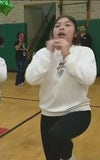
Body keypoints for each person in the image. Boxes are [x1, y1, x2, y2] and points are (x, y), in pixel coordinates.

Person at [25, 15, 97, 160]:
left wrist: (67, 55)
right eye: (57, 26)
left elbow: (88, 78)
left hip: (77, 111)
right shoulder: (42, 54)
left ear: (75, 33)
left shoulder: (84, 52)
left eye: (67, 25)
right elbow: (32, 79)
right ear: (53, 32)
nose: (61, 27)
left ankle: (69, 157)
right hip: (48, 115)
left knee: (57, 135)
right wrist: (48, 53)